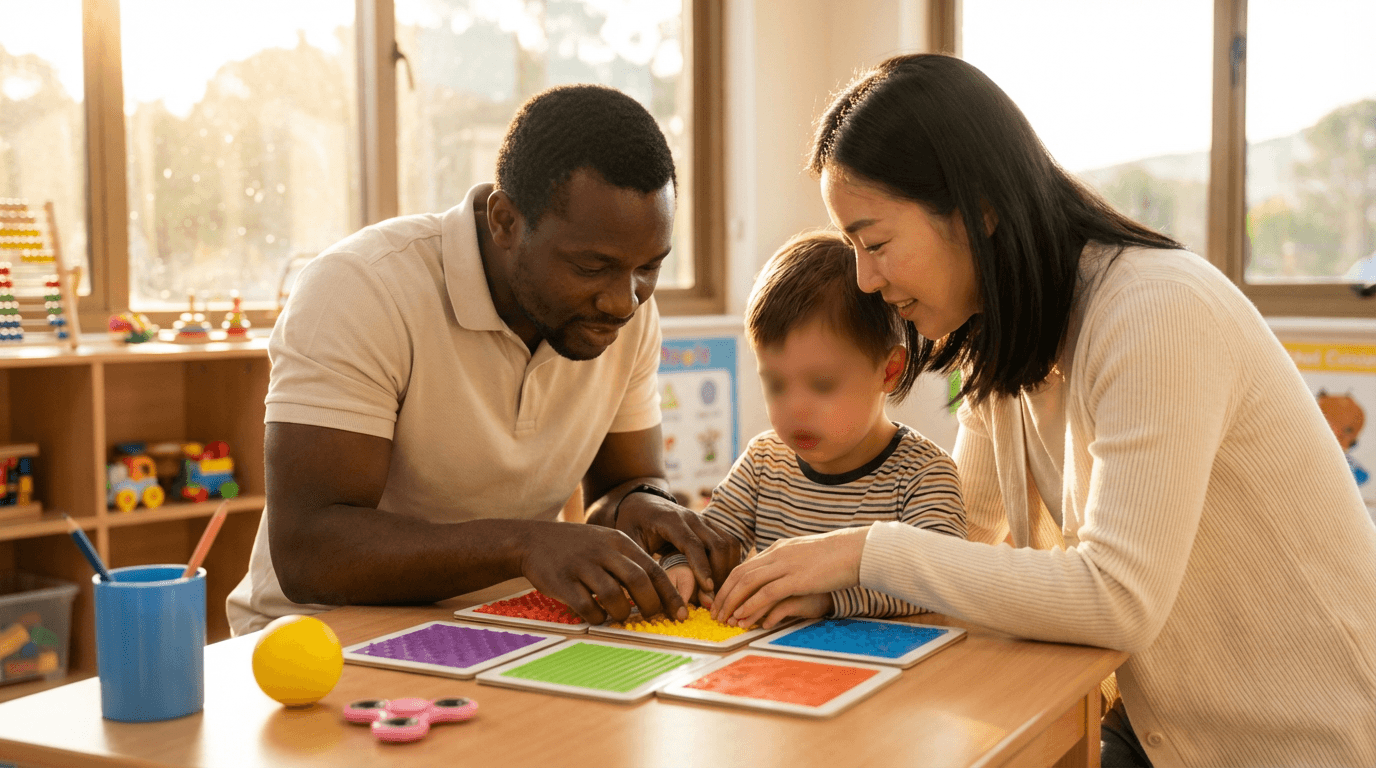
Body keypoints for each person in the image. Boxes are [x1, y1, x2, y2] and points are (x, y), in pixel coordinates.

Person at [711, 54, 1376, 768]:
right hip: (1159, 728)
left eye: (874, 244)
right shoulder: (1006, 343)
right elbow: (967, 532)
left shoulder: (1155, 311)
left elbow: (1118, 597)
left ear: (979, 210)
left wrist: (862, 550)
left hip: (1303, 742)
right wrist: (830, 592)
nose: (866, 280)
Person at [227, 85, 737, 636]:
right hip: (321, 639)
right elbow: (311, 552)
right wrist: (522, 543)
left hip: (505, 631)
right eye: (591, 267)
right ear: (505, 221)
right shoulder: (361, 288)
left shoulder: (626, 309)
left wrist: (647, 503)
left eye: (650, 266)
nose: (623, 299)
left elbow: (624, 482)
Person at [656, 231, 965, 624]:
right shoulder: (764, 462)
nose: (795, 409)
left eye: (822, 384)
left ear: (889, 371)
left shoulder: (924, 475)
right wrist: (681, 564)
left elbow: (943, 579)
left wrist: (831, 601)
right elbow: (707, 540)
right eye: (775, 384)